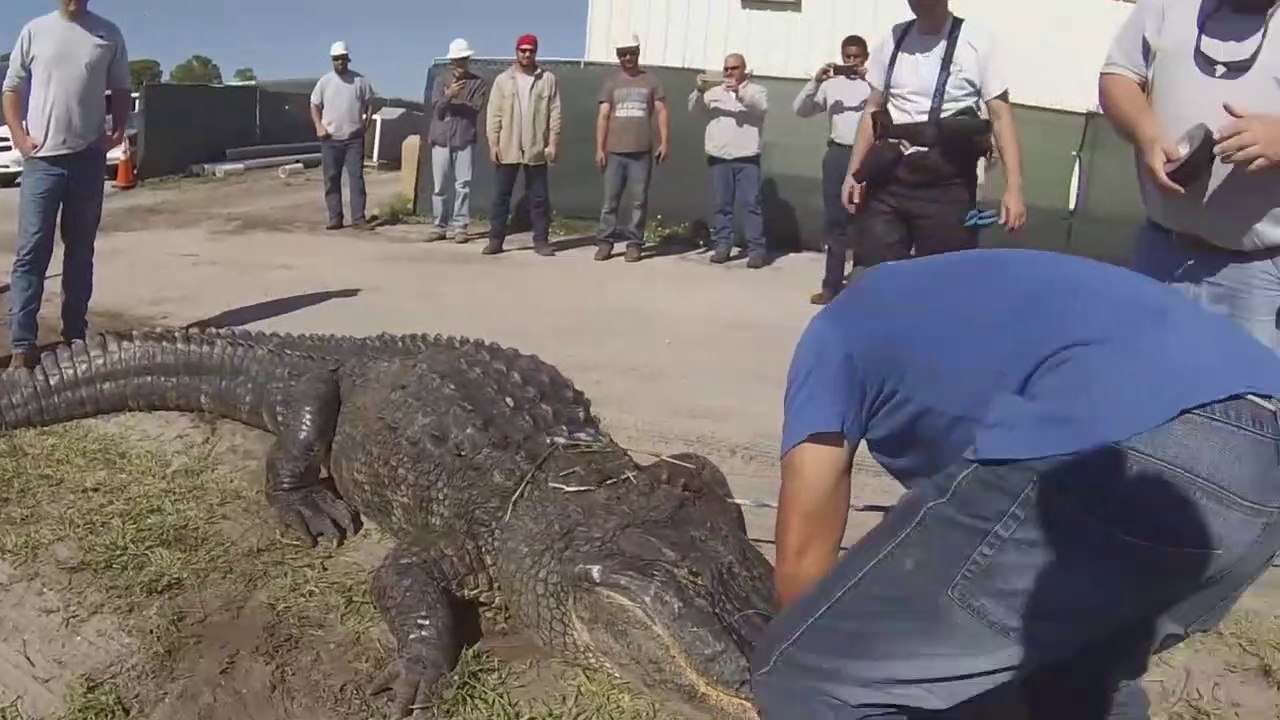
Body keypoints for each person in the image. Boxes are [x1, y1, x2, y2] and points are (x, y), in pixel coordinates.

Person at [750, 248, 1280, 719]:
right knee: (1068, 686)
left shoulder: (839, 328)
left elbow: (804, 552)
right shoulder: (976, 299)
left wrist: (810, 636)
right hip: (1262, 467)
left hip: (1140, 431)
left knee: (811, 679)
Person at [1100, 0, 1280, 352]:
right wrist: (1145, 130)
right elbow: (1118, 77)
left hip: (1259, 277)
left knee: (1246, 402)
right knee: (1146, 387)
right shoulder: (1165, 5)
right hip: (1160, 254)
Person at [842, 0, 1027, 270]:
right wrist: (854, 172)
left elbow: (1000, 116)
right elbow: (873, 108)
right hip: (889, 181)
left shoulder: (977, 41)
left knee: (942, 282)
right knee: (875, 277)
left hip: (947, 186)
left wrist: (1014, 188)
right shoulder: (894, 38)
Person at [2, 0, 130, 371]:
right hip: (42, 162)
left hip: (87, 160)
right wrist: (19, 138)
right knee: (31, 253)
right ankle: (23, 345)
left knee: (80, 250)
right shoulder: (35, 31)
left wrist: (117, 129)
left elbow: (121, 87)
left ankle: (74, 336)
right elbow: (12, 88)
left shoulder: (107, 34)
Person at [793, 34, 872, 305]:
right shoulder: (832, 85)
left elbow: (894, 105)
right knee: (835, 221)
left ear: (865, 57)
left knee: (865, 219)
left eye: (856, 57)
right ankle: (831, 285)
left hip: (867, 155)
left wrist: (870, 78)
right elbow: (800, 110)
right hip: (838, 153)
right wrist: (816, 81)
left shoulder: (875, 83)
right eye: (846, 57)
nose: (851, 62)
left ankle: (863, 284)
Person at [483, 33, 562, 257]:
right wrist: (493, 143)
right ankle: (496, 240)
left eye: (531, 50)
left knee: (539, 198)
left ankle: (541, 241)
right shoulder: (503, 80)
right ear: (516, 51)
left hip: (536, 148)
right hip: (508, 148)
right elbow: (493, 114)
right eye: (523, 50)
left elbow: (555, 113)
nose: (527, 54)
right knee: (501, 197)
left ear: (536, 52)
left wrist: (553, 142)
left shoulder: (547, 79)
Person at [593, 32, 669, 263]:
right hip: (615, 152)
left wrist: (665, 142)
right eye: (623, 54)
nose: (628, 58)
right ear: (618, 56)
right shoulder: (612, 83)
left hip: (641, 152)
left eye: (631, 53)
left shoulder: (651, 81)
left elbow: (661, 111)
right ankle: (605, 242)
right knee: (610, 201)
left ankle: (634, 243)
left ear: (638, 53)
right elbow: (603, 116)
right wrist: (600, 148)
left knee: (638, 201)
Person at [688, 53, 769, 268]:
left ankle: (756, 250)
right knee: (722, 205)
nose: (729, 73)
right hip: (720, 157)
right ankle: (722, 246)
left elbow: (760, 108)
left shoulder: (756, 91)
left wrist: (739, 93)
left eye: (734, 68)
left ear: (744, 69)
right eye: (726, 69)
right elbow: (694, 109)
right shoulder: (714, 92)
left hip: (747, 157)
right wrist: (699, 90)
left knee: (751, 205)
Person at [425, 38, 488, 244]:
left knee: (463, 185)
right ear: (451, 61)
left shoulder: (478, 83)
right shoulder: (440, 81)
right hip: (441, 139)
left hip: (464, 139)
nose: (459, 65)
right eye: (455, 61)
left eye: (463, 60)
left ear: (468, 60)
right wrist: (447, 96)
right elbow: (438, 110)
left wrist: (454, 99)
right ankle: (439, 226)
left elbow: (475, 108)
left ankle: (460, 226)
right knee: (440, 186)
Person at [310, 41, 375, 232]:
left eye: (343, 59)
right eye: (336, 59)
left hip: (354, 139)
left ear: (348, 59)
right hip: (330, 139)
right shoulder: (325, 82)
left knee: (356, 177)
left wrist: (366, 124)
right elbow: (314, 105)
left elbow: (370, 103)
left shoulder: (360, 81)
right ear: (332, 61)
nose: (340, 62)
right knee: (331, 178)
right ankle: (335, 217)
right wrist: (318, 126)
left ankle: (358, 218)